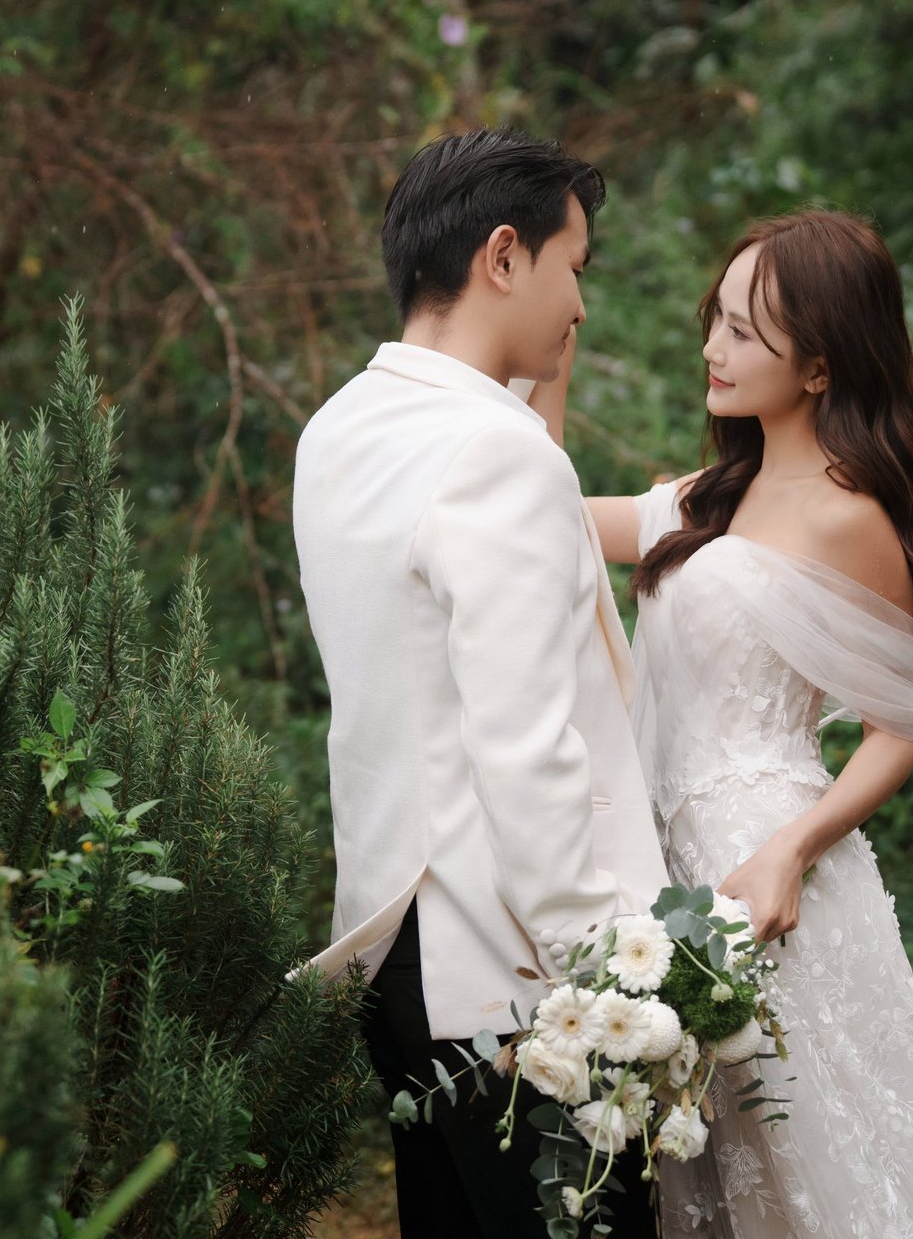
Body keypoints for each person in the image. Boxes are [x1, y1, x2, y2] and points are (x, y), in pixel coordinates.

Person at [537, 210, 913, 1237]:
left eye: (747, 332)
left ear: (819, 364)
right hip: (665, 865)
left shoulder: (850, 512)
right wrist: (545, 367)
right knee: (708, 1159)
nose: (715, 348)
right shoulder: (711, 497)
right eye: (715, 320)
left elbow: (896, 728)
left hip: (776, 872)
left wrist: (791, 851)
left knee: (814, 1150)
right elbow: (546, 516)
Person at [292, 128, 670, 1238]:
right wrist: (611, 979)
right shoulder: (494, 452)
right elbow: (525, 745)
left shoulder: (340, 429)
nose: (581, 310)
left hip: (390, 943)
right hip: (510, 972)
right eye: (575, 268)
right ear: (504, 256)